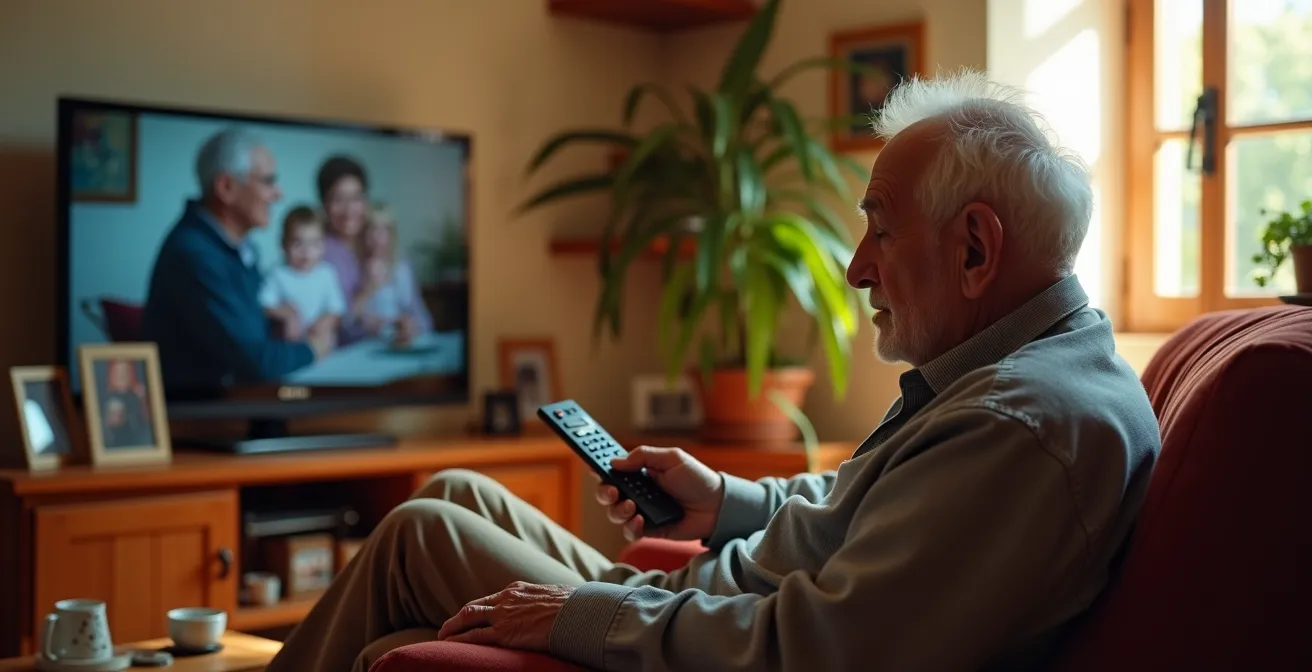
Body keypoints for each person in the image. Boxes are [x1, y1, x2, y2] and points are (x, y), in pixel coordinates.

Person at [265, 70, 1163, 672]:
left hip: (700, 636)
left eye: (880, 228)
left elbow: (816, 647)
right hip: (698, 599)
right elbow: (852, 510)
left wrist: (577, 617)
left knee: (420, 529)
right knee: (462, 489)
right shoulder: (1011, 372)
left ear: (975, 248)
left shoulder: (1021, 427)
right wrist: (725, 500)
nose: (856, 266)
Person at [141, 128, 331, 390]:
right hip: (209, 422)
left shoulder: (236, 247)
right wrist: (314, 347)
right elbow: (255, 361)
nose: (279, 194)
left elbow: (244, 326)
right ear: (227, 187)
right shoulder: (196, 256)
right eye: (268, 182)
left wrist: (274, 314)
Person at [260, 205, 346, 346]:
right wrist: (286, 313)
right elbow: (264, 305)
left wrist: (325, 322)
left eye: (314, 244)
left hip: (318, 341)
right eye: (297, 243)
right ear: (283, 244)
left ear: (323, 245)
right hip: (288, 344)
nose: (306, 252)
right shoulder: (278, 274)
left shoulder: (326, 273)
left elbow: (336, 309)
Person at [349, 203, 433, 346]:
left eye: (384, 230)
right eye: (372, 229)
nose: (377, 237)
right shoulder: (353, 267)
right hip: (366, 346)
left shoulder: (402, 268)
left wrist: (411, 327)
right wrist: (370, 287)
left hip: (397, 344)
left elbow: (424, 319)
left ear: (392, 234)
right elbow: (347, 322)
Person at [315, 154, 373, 344]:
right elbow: (337, 328)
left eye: (356, 198)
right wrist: (367, 291)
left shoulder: (378, 242)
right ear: (324, 205)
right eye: (338, 199)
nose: (349, 210)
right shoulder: (316, 253)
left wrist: (411, 326)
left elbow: (420, 315)